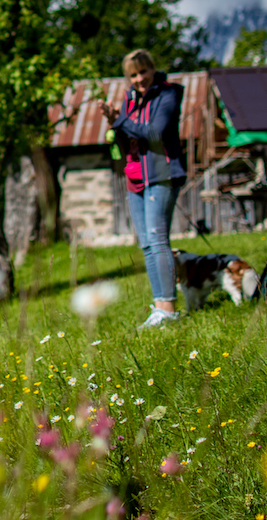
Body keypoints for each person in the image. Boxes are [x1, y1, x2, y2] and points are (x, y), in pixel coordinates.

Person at [98, 49, 187, 329]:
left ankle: (168, 308)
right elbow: (126, 135)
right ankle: (159, 307)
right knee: (146, 244)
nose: (139, 79)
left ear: (152, 69)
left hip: (161, 173)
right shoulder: (130, 100)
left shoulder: (168, 94)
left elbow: (155, 133)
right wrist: (113, 120)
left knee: (158, 239)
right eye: (133, 75)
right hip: (135, 177)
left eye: (143, 72)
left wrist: (121, 120)